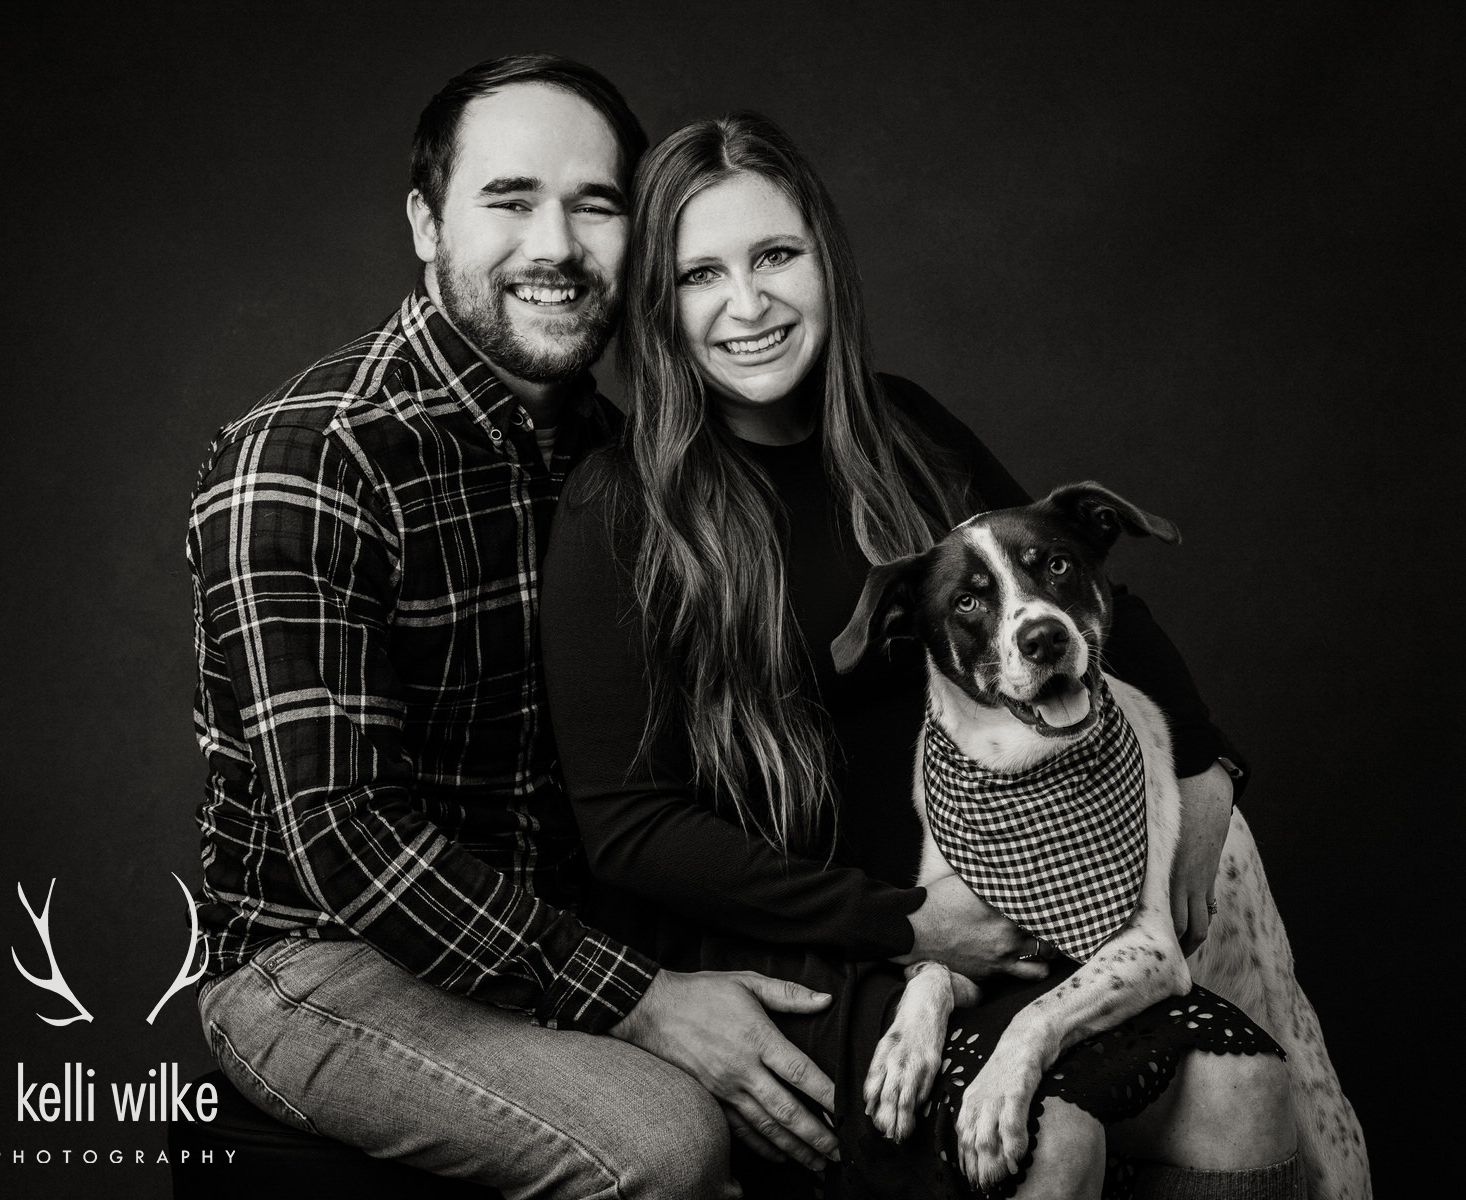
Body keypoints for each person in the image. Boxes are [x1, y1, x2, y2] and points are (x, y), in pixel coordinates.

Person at [540, 112, 1304, 1199]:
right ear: (659, 312)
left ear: (826, 263)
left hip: (983, 912)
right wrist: (910, 924)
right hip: (804, 944)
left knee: (1248, 1093)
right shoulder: (620, 509)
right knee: (1052, 1145)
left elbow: (1085, 595)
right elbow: (628, 830)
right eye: (700, 274)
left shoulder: (905, 431)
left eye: (774, 256)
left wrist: (1207, 766)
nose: (747, 304)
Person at [187, 56, 860, 1196]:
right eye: (510, 201)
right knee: (666, 1141)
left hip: (568, 934)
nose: (556, 245)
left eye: (595, 205)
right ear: (424, 222)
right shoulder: (309, 457)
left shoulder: (623, 459)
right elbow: (346, 834)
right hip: (322, 963)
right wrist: (638, 1000)